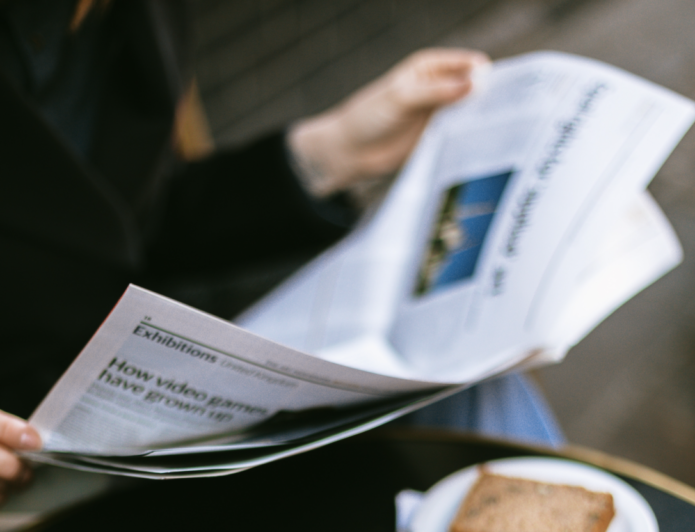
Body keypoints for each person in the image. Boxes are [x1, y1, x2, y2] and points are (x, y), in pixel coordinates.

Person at [0, 0, 561, 504]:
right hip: (30, 453)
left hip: (135, 385)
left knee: (470, 387)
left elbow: (113, 226)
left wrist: (329, 151)